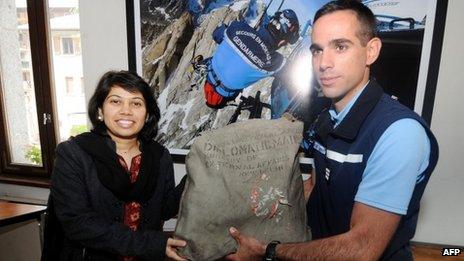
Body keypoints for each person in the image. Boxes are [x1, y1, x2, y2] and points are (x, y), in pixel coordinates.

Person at [225, 1, 439, 260]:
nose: (323, 63)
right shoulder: (327, 117)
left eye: (340, 46)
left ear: (371, 51)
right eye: (317, 50)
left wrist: (268, 252)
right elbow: (314, 187)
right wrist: (252, 216)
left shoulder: (400, 134)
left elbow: (361, 251)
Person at [45, 71, 187, 260]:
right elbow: (78, 223)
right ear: (100, 111)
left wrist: (197, 174)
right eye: (115, 101)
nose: (126, 111)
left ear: (147, 114)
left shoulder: (160, 156)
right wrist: (151, 244)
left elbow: (166, 208)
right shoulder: (74, 153)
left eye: (136, 103)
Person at [202, 9, 300, 108]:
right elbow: (293, 73)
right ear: (282, 42)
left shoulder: (237, 26)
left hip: (209, 80)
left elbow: (216, 33)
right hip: (223, 95)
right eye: (285, 43)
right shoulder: (274, 61)